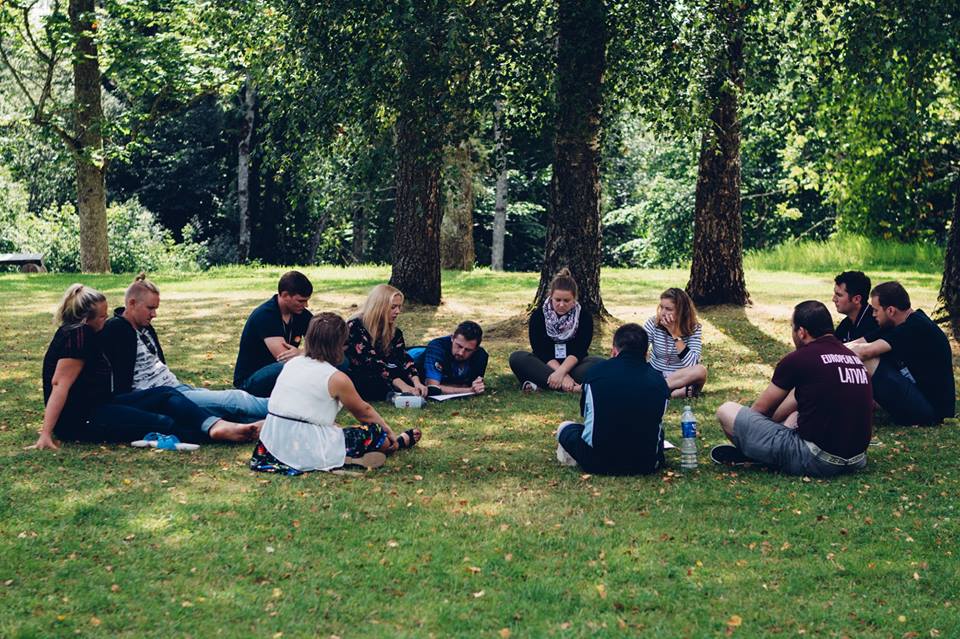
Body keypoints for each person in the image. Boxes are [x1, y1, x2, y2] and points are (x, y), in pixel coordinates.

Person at [31, 284, 260, 451]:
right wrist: (46, 433)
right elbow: (59, 385)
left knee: (165, 394)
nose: (106, 322)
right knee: (161, 421)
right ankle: (221, 434)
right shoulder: (78, 336)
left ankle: (216, 426)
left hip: (103, 404)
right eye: (101, 317)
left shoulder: (85, 333)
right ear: (85, 319)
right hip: (83, 420)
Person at [714, 301, 872, 477]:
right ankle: (767, 448)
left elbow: (760, 410)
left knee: (726, 411)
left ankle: (756, 454)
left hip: (816, 460)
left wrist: (756, 435)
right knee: (795, 411)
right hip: (857, 460)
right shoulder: (852, 357)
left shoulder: (799, 358)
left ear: (802, 332)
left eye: (792, 328)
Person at [251, 313, 422, 475]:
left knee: (336, 427)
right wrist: (388, 432)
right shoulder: (336, 378)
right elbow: (364, 412)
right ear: (338, 346)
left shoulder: (292, 364)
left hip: (271, 444)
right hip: (307, 444)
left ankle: (345, 457)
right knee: (377, 435)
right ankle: (393, 444)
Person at [101, 274, 268, 422]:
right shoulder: (117, 329)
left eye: (155, 309)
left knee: (233, 410)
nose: (154, 314)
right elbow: (119, 385)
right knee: (234, 399)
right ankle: (281, 409)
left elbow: (160, 363)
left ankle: (275, 420)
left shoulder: (144, 327)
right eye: (150, 308)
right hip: (164, 397)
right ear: (132, 303)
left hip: (176, 388)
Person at [555, 323, 669, 475]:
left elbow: (587, 417)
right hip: (645, 464)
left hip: (597, 462)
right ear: (646, 353)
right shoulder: (659, 381)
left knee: (565, 427)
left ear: (614, 350)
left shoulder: (595, 373)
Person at [846, 281, 955, 426]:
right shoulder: (899, 322)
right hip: (918, 394)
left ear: (890, 310)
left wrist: (828, 357)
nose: (873, 314)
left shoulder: (915, 327)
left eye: (876, 310)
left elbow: (865, 352)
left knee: (867, 361)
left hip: (931, 412)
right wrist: (825, 350)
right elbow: (858, 343)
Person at [509, 268, 603, 393]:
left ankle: (543, 384)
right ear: (551, 297)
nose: (561, 304)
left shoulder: (584, 317)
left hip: (573, 366)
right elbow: (541, 351)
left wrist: (563, 372)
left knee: (599, 363)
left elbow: (579, 350)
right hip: (546, 365)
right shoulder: (539, 315)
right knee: (517, 358)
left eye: (566, 300)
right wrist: (563, 376)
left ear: (574, 299)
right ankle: (572, 387)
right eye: (557, 300)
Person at [233, 271, 313, 397]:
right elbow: (283, 357)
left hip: (282, 373)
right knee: (287, 366)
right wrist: (307, 353)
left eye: (307, 301)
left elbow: (326, 345)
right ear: (285, 295)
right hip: (250, 380)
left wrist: (302, 353)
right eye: (301, 301)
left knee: (338, 361)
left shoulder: (301, 314)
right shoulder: (266, 315)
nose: (305, 305)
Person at [344, 284, 427, 401]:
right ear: (379, 306)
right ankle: (393, 392)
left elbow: (403, 357)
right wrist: (403, 386)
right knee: (370, 381)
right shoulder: (356, 326)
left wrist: (416, 382)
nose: (398, 311)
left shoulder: (395, 332)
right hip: (362, 372)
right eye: (393, 307)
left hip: (387, 370)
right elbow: (371, 362)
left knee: (417, 369)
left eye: (399, 307)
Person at [642, 287, 708, 398]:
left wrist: (675, 334)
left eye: (668, 309)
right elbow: (638, 349)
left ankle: (656, 389)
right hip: (655, 372)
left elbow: (692, 363)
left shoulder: (694, 328)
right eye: (661, 307)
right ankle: (674, 392)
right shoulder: (653, 323)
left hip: (680, 377)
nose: (663, 312)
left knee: (701, 371)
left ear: (681, 311)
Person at [410, 321, 488, 395]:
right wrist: (469, 390)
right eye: (459, 346)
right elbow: (433, 387)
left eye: (468, 350)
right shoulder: (437, 347)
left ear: (475, 349)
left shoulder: (481, 355)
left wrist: (475, 387)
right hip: (412, 355)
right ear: (452, 338)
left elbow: (472, 385)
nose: (461, 353)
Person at [833, 271, 879, 342]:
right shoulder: (845, 324)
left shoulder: (874, 324)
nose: (834, 299)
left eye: (839, 295)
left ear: (857, 299)